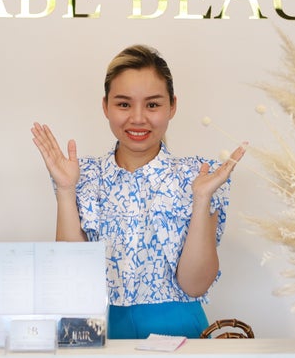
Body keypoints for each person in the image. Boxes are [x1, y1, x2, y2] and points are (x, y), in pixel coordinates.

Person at [31, 44, 246, 339]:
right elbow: (73, 278)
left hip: (178, 331)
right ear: (105, 106)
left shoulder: (200, 176)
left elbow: (195, 285)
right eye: (123, 104)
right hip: (97, 330)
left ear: (172, 105)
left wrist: (201, 200)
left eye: (153, 105)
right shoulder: (82, 174)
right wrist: (67, 190)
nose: (138, 118)